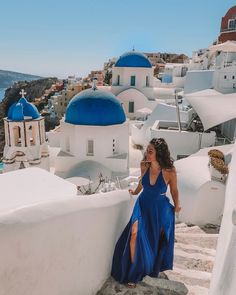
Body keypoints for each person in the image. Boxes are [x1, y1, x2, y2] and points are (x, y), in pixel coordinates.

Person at [111, 138, 181, 288]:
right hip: (142, 205)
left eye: (150, 151)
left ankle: (145, 269)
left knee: (153, 242)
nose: (147, 154)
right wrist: (135, 191)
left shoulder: (169, 171)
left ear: (158, 153)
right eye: (147, 151)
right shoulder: (144, 166)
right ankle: (134, 273)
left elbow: (174, 190)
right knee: (135, 234)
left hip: (159, 209)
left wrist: (177, 205)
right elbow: (142, 183)